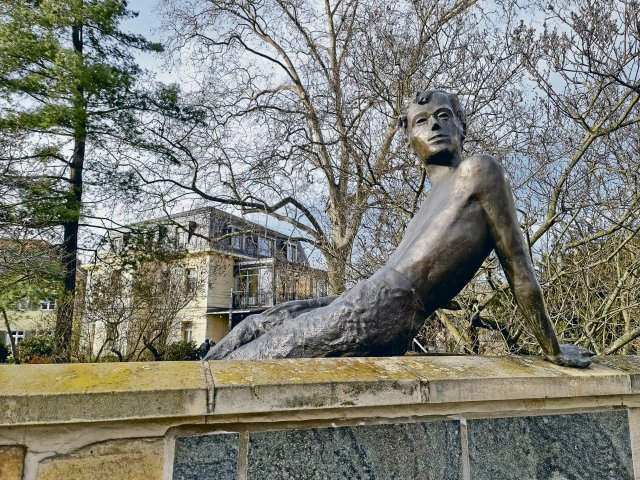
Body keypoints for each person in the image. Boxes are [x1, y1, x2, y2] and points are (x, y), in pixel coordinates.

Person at [204, 89, 592, 368]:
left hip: (383, 311)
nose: (434, 125)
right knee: (256, 323)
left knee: (254, 357)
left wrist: (552, 347)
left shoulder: (480, 171)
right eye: (421, 121)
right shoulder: (429, 202)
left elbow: (519, 268)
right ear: (411, 140)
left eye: (444, 116)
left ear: (462, 126)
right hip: (364, 298)